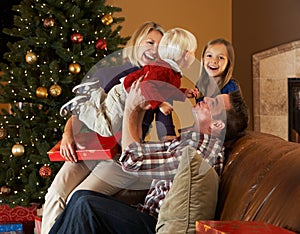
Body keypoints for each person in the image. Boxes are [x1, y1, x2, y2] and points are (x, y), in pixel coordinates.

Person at [49, 79, 249, 234]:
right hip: (144, 215)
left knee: (86, 206)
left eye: (211, 104)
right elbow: (140, 152)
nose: (204, 99)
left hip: (154, 226)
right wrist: (137, 110)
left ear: (217, 125)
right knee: (81, 197)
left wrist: (132, 109)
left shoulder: (204, 146)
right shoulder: (190, 140)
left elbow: (132, 159)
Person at [41, 21, 178, 234]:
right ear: (137, 43)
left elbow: (167, 129)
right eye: (149, 42)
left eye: (160, 47)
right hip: (92, 148)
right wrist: (68, 135)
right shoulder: (116, 73)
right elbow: (85, 110)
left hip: (118, 157)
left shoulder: (159, 80)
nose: (153, 50)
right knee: (56, 193)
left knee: (79, 197)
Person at [59, 27, 199, 136]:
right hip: (123, 96)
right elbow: (146, 86)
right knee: (107, 129)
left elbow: (165, 90)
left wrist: (183, 93)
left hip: (122, 94)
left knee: (105, 110)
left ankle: (94, 91)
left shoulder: (171, 72)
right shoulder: (163, 70)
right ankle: (80, 107)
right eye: (194, 52)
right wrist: (160, 103)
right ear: (186, 54)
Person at [196, 38, 239, 103]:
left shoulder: (231, 86)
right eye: (209, 55)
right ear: (203, 59)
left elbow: (235, 111)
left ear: (228, 63)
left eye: (220, 57)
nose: (214, 61)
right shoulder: (200, 85)